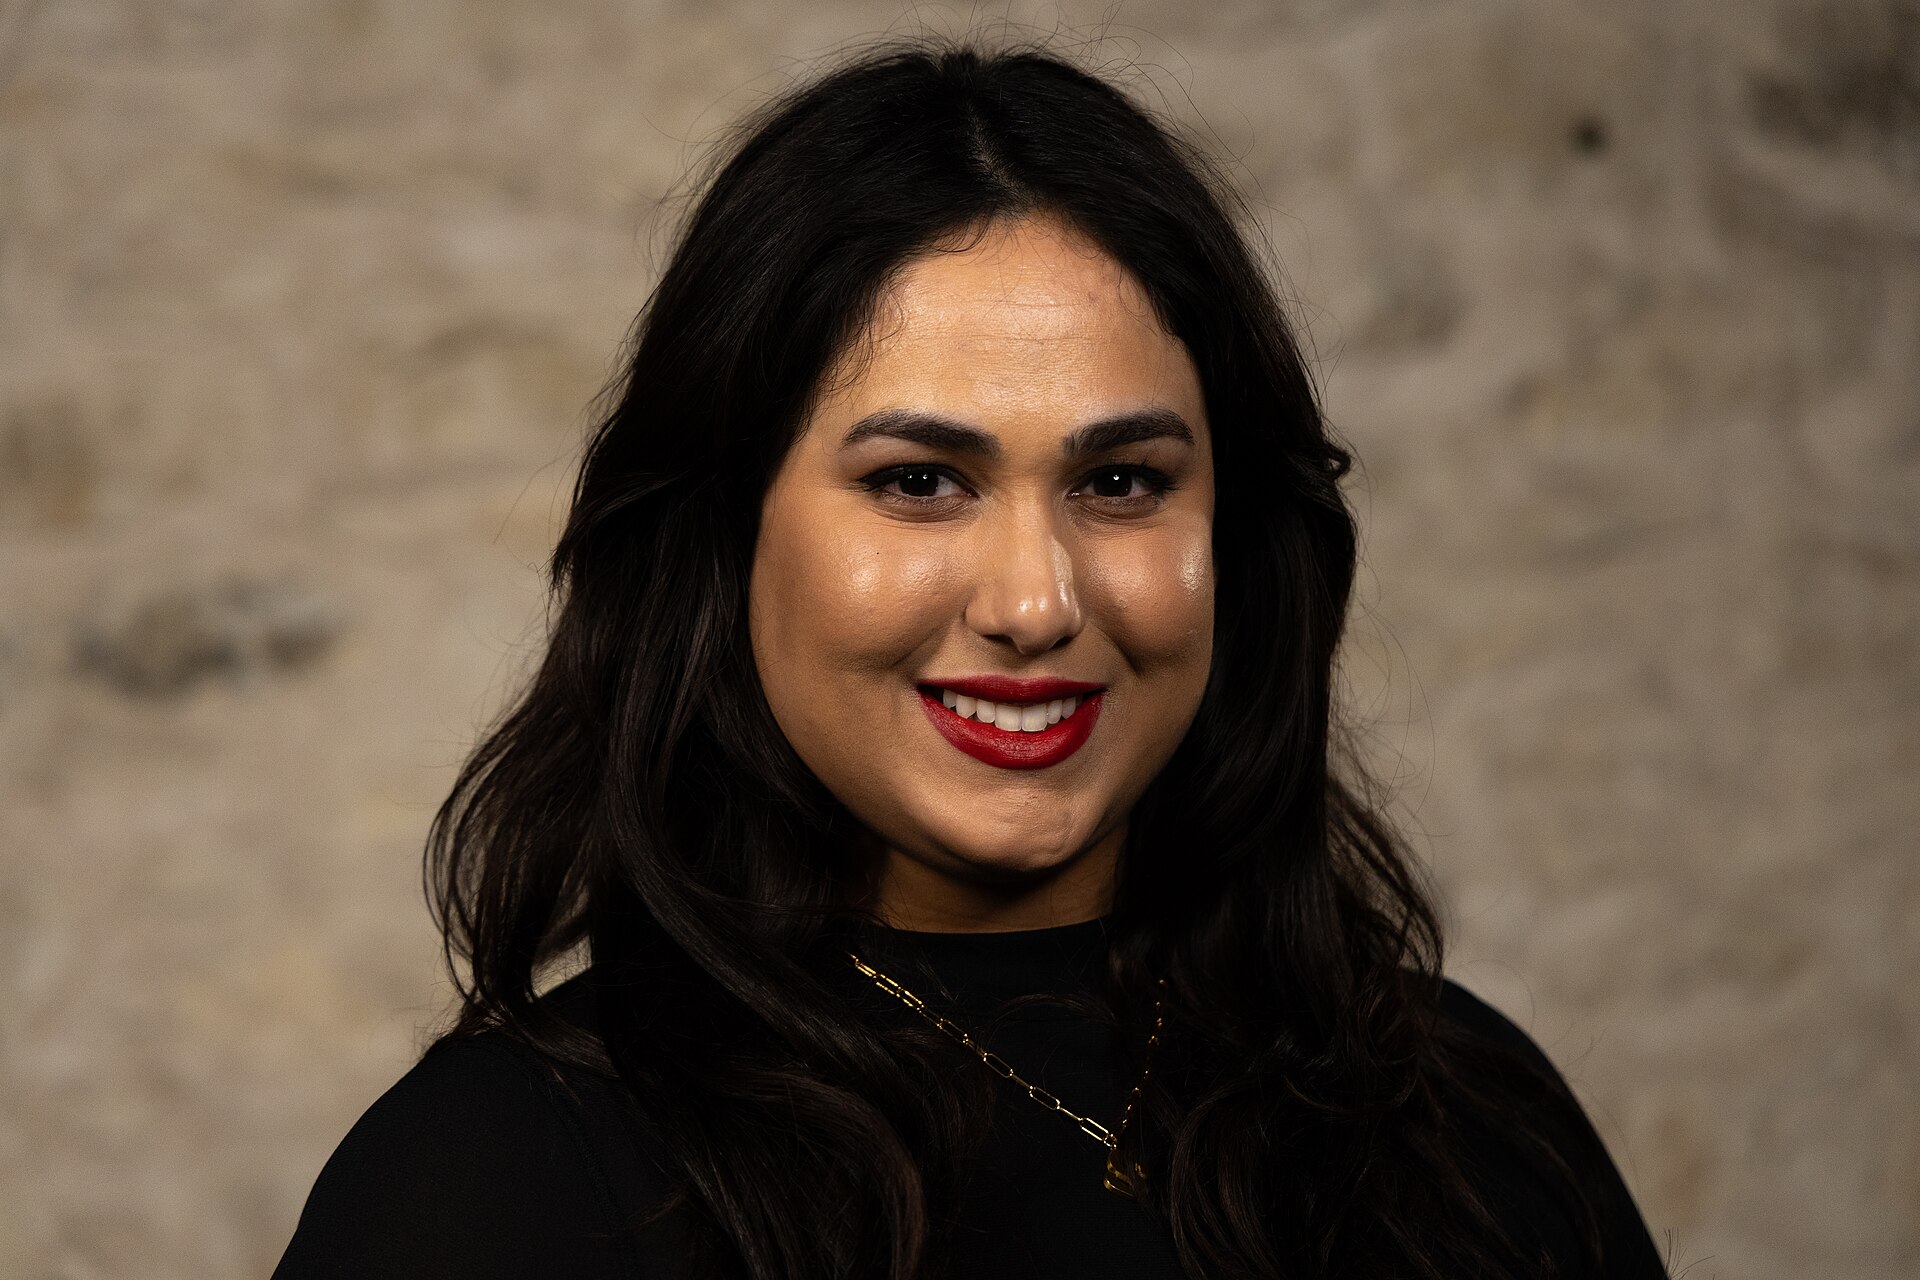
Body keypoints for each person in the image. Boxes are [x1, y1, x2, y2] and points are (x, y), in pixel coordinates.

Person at [274, 38, 1669, 1280]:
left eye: (1121, 482)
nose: (1035, 600)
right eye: (920, 483)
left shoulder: (1469, 1118)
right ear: (724, 538)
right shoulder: (493, 1192)